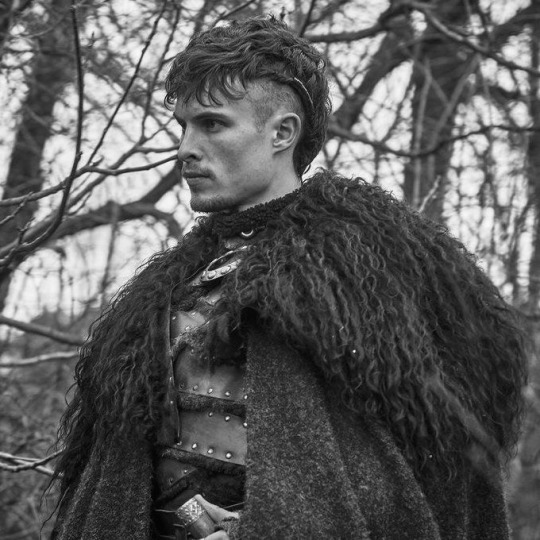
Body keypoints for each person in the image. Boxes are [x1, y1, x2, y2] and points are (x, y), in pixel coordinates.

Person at [51, 16, 527, 540]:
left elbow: (423, 468)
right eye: (183, 126)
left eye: (212, 124)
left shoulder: (369, 272)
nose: (185, 148)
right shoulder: (166, 287)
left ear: (282, 132)